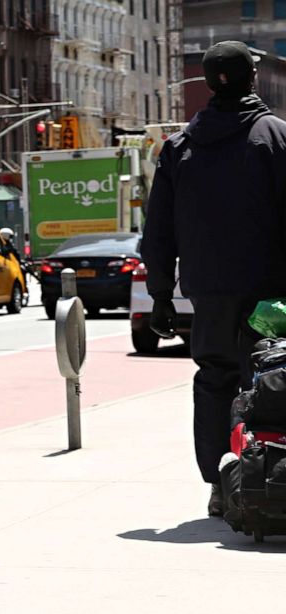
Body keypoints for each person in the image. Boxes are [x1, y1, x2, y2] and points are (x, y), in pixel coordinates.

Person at [142, 41, 286, 517]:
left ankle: (221, 482)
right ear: (251, 79)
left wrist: (160, 294)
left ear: (207, 84)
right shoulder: (276, 136)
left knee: (214, 381)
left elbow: (158, 229)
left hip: (209, 293)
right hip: (272, 295)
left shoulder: (180, 147)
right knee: (271, 379)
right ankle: (271, 477)